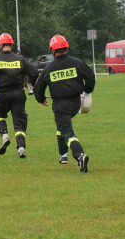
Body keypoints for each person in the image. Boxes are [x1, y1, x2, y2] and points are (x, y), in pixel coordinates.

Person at [33, 34, 95, 173]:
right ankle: (63, 155)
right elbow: (90, 77)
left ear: (52, 50)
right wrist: (87, 91)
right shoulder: (77, 62)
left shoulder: (48, 69)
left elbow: (38, 89)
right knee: (61, 126)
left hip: (60, 106)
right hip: (75, 103)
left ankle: (80, 156)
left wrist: (41, 98)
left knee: (67, 133)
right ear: (66, 48)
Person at [0, 32, 38, 158]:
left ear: (0, 45)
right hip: (19, 93)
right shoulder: (20, 58)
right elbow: (34, 72)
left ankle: (5, 136)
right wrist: (31, 84)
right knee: (19, 123)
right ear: (11, 45)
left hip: (3, 94)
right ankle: (21, 148)